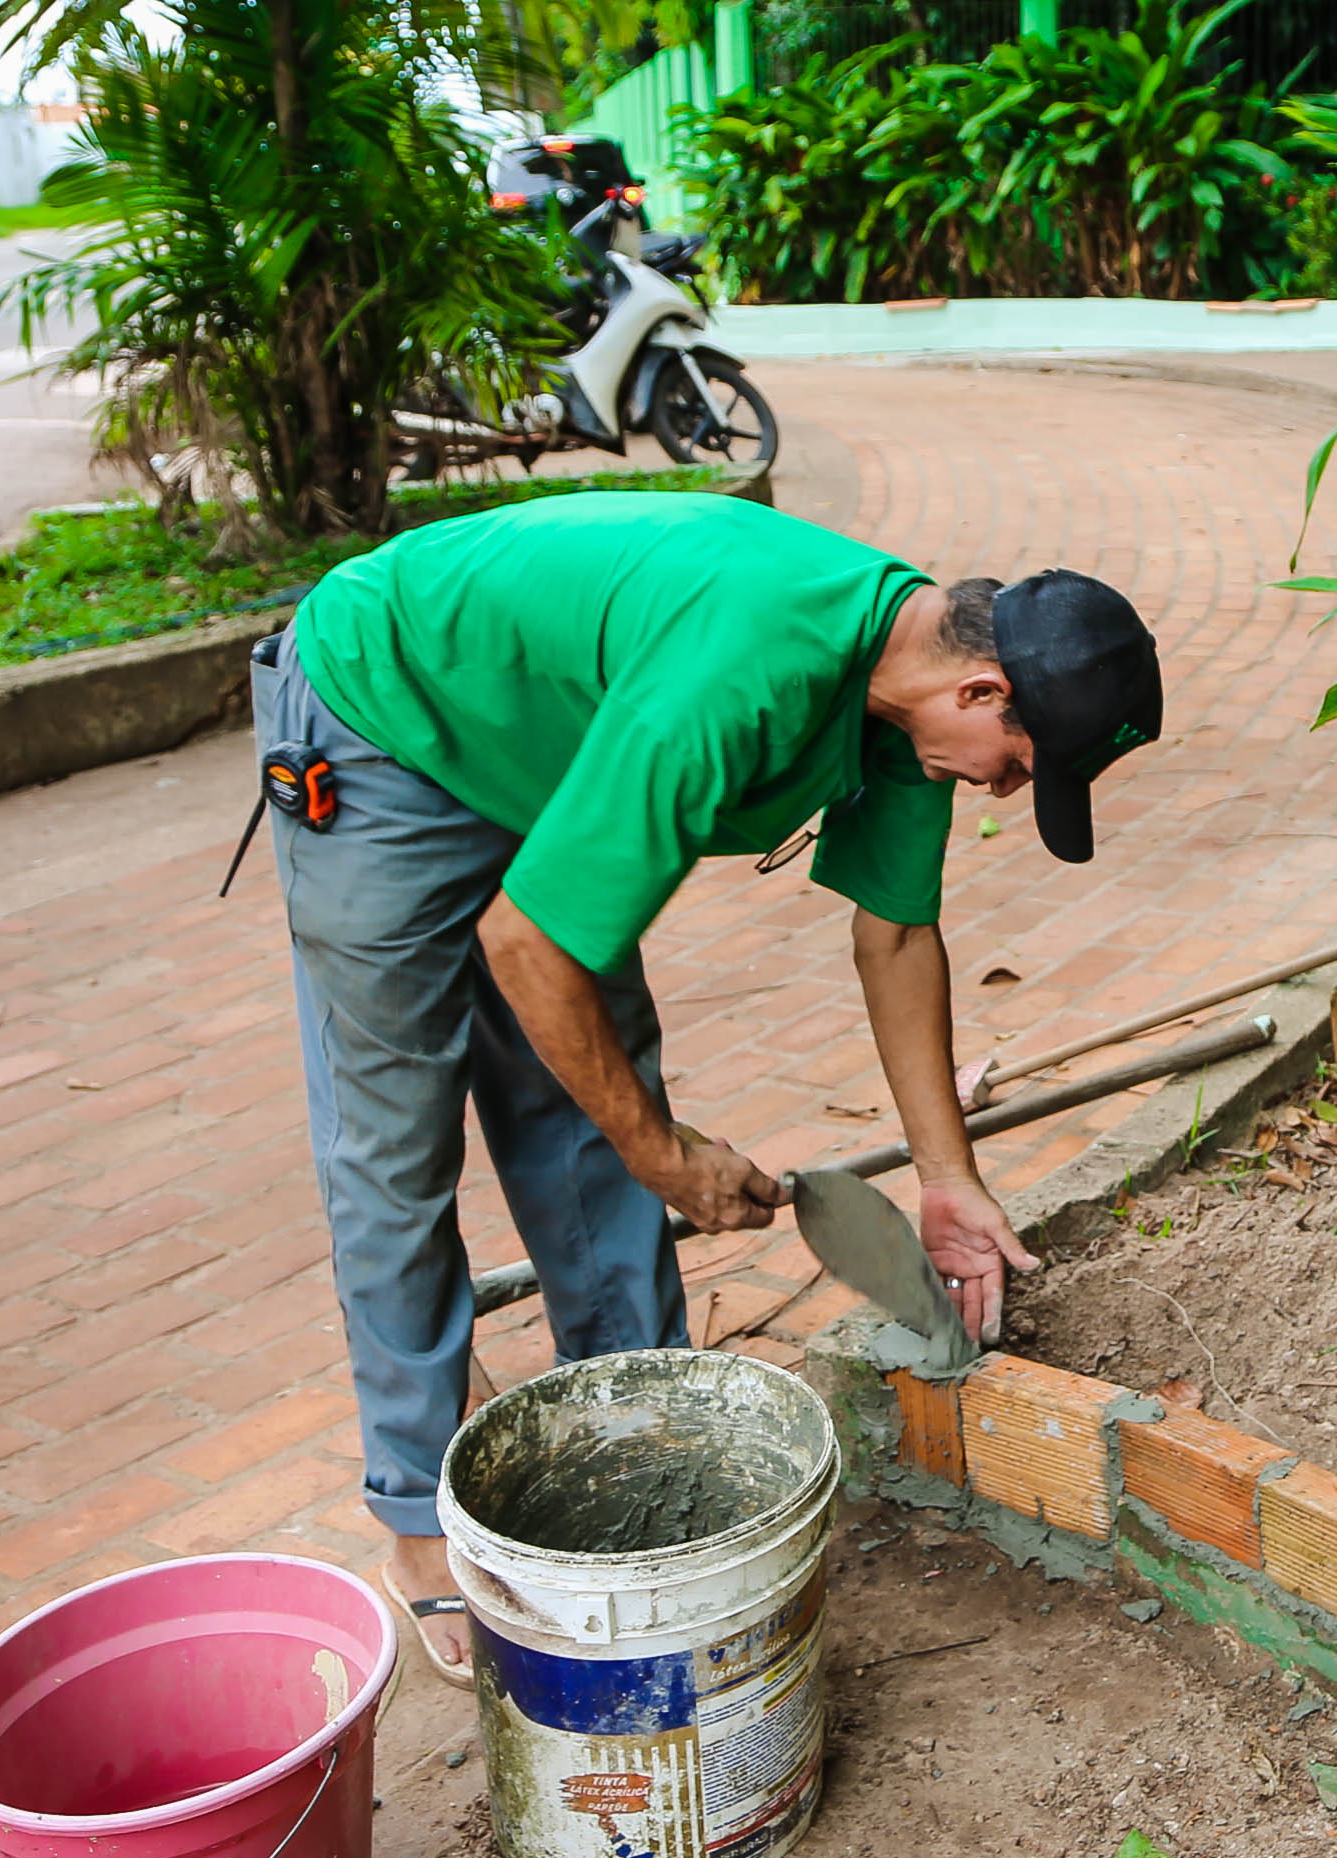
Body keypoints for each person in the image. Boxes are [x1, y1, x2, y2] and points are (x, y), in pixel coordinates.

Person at [245, 491, 1161, 1679]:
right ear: (983, 694)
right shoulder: (749, 673)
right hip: (386, 716)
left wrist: (948, 1177)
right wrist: (666, 1154)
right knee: (399, 1143)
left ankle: (640, 1426)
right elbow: (531, 947)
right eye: (1016, 770)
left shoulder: (912, 697)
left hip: (543, 751)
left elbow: (895, 938)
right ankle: (420, 1518)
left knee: (591, 1092)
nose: (998, 791)